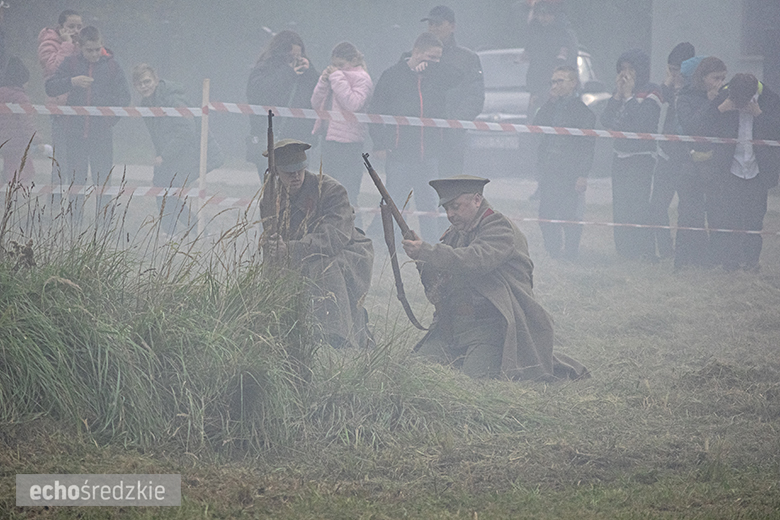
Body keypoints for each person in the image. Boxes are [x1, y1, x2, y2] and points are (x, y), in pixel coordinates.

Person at [401, 175, 588, 381]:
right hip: (453, 327)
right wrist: (422, 259)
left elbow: (475, 260)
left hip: (491, 329)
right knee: (413, 373)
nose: (450, 215)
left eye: (456, 206)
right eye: (447, 209)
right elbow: (443, 278)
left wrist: (428, 252)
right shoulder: (456, 232)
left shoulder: (499, 227)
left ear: (477, 200)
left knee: (472, 386)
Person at [260, 139, 374, 350]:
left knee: (323, 267)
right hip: (299, 253)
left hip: (347, 251)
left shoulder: (331, 190)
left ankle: (335, 338)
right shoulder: (271, 197)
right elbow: (271, 238)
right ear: (276, 172)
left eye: (299, 171)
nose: (295, 177)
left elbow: (334, 236)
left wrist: (292, 249)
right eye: (288, 172)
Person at [369, 32, 459, 242]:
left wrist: (434, 69)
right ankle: (390, 242)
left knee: (429, 204)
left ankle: (431, 243)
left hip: (428, 154)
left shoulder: (436, 77)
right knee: (395, 201)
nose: (435, 62)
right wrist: (379, 143)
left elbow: (458, 76)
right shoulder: (392, 75)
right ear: (417, 52)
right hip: (399, 153)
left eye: (439, 58)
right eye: (431, 57)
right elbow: (375, 111)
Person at [45, 26, 131, 220]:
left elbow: (124, 98)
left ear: (102, 45)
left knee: (103, 182)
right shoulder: (70, 63)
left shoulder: (112, 66)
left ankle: (104, 227)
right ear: (80, 47)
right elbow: (49, 87)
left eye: (97, 49)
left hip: (101, 135)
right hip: (74, 134)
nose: (94, 54)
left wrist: (109, 119)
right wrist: (72, 82)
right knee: (76, 182)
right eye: (89, 50)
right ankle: (74, 225)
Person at [703, 73, 780, 272]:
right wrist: (720, 109)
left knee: (755, 219)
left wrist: (758, 114)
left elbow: (776, 130)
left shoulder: (770, 99)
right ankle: (730, 262)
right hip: (730, 168)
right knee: (729, 217)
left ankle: (751, 262)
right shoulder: (726, 96)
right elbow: (700, 127)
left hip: (757, 170)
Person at [600, 49, 662, 261]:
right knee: (621, 205)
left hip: (642, 157)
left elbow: (643, 123)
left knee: (638, 205)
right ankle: (624, 250)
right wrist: (618, 95)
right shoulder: (620, 92)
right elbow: (606, 120)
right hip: (620, 156)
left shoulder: (652, 92)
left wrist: (628, 97)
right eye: (622, 69)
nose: (626, 74)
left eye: (630, 69)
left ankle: (643, 251)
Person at [532, 64, 596, 259]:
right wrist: (549, 102)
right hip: (549, 168)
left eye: (560, 81)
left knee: (570, 215)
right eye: (553, 81)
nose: (555, 85)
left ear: (573, 83)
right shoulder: (550, 107)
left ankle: (570, 255)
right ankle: (553, 251)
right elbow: (536, 126)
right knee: (545, 215)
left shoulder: (583, 113)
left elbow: (587, 147)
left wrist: (582, 175)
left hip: (570, 170)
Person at [674, 56, 727, 269]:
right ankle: (685, 262)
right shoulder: (685, 97)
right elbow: (692, 127)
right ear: (702, 77)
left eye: (723, 78)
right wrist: (712, 103)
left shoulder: (725, 97)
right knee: (689, 214)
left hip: (716, 165)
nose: (720, 82)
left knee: (717, 213)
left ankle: (714, 261)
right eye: (716, 78)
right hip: (690, 164)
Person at [133, 63, 196, 237]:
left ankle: (197, 229)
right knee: (161, 194)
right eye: (140, 84)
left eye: (147, 81)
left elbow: (187, 131)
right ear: (135, 87)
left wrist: (165, 155)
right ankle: (172, 233)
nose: (144, 86)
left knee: (168, 197)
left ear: (155, 79)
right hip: (166, 154)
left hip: (184, 154)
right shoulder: (147, 103)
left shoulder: (172, 99)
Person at [421, 5, 485, 177]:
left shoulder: (467, 58)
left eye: (438, 24)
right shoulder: (417, 55)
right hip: (420, 134)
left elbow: (475, 96)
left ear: (452, 26)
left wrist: (456, 123)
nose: (433, 28)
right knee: (418, 188)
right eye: (430, 24)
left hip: (451, 136)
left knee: (449, 186)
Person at [310, 41, 373, 213]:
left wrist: (337, 77)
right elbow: (315, 103)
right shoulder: (332, 77)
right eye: (334, 65)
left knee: (348, 195)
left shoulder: (362, 78)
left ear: (353, 60)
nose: (336, 69)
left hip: (350, 144)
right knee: (327, 192)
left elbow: (353, 103)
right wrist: (323, 82)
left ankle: (355, 234)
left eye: (341, 65)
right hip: (329, 140)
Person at [246, 30, 318, 177]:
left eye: (299, 56)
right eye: (292, 56)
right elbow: (260, 93)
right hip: (271, 138)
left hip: (299, 140)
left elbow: (317, 97)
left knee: (299, 190)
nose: (296, 59)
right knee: (272, 189)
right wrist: (289, 72)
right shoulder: (265, 68)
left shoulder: (306, 73)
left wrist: (310, 71)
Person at [649, 42, 695, 259]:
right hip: (667, 157)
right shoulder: (665, 91)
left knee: (689, 210)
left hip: (688, 159)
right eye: (670, 70)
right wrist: (667, 86)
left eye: (675, 70)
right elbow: (655, 110)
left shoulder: (694, 92)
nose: (672, 74)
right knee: (657, 206)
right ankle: (666, 252)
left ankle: (687, 253)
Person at [37, 9, 82, 177]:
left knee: (77, 158)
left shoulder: (80, 43)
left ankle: (73, 200)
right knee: (61, 158)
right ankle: (55, 200)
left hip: (79, 107)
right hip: (59, 108)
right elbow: (53, 69)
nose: (76, 30)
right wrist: (67, 44)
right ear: (60, 27)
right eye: (71, 26)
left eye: (79, 26)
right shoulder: (49, 42)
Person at [523, 0, 577, 116]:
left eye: (547, 14)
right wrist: (533, 90)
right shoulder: (534, 34)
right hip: (538, 87)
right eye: (540, 14)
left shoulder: (565, 35)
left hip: (560, 89)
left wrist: (556, 87)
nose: (543, 18)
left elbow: (567, 64)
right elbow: (534, 65)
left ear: (554, 15)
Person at [0, 57, 37, 185]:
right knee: (23, 172)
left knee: (8, 167)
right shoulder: (20, 97)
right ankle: (16, 198)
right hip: (18, 142)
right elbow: (26, 121)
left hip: (3, 142)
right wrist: (36, 137)